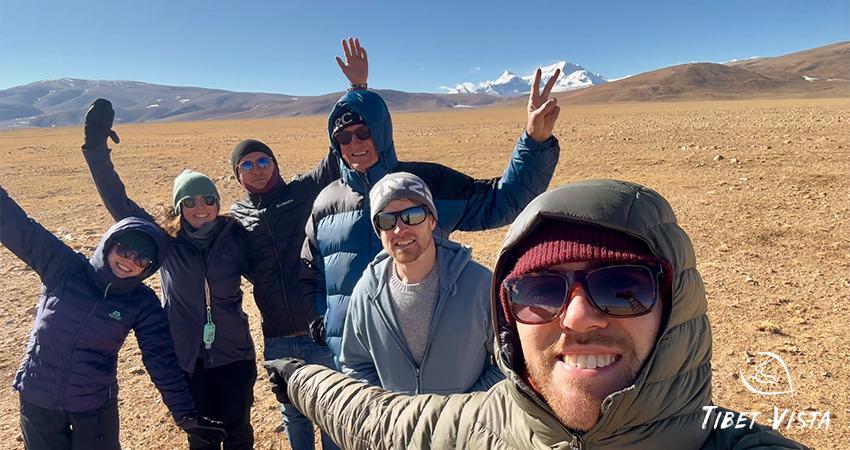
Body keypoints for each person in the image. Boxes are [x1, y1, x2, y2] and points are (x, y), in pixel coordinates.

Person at [266, 179, 808, 449]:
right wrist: (300, 378)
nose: (576, 317)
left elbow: (502, 195)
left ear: (676, 303)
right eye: (541, 291)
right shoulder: (489, 425)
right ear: (512, 316)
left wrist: (535, 144)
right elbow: (379, 416)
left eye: (621, 287)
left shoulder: (723, 441)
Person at [301, 61, 563, 364]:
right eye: (344, 138)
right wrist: (326, 320)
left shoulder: (425, 186)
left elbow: (500, 202)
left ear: (381, 132)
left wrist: (534, 142)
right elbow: (311, 272)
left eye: (363, 132)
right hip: (352, 360)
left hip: (425, 354)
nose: (355, 143)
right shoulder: (326, 203)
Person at [81, 99, 254, 449]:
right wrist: (96, 150)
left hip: (235, 356)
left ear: (218, 203)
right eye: (189, 202)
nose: (200, 208)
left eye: (207, 199)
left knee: (238, 436)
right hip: (187, 359)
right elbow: (120, 204)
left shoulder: (235, 237)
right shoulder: (166, 242)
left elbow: (271, 271)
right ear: (179, 208)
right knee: (201, 440)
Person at [1, 186, 226, 450]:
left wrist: (184, 413)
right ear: (110, 243)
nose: (130, 261)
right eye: (125, 250)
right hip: (39, 398)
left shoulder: (141, 302)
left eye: (142, 260)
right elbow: (17, 227)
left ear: (149, 268)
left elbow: (160, 359)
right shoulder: (64, 267)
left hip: (93, 406)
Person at [227, 37, 367, 450]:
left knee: (333, 410)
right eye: (246, 165)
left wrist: (355, 90)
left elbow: (338, 150)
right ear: (238, 176)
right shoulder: (236, 219)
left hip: (318, 328)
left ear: (275, 163)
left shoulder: (303, 191)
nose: (256, 169)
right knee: (292, 412)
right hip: (276, 335)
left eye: (263, 160)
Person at [339, 172, 503, 394]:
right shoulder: (366, 293)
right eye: (386, 220)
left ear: (432, 220)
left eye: (412, 215)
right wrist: (389, 413)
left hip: (465, 427)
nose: (399, 229)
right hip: (397, 427)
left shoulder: (480, 285)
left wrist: (466, 411)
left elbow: (509, 363)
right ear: (379, 232)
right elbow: (356, 365)